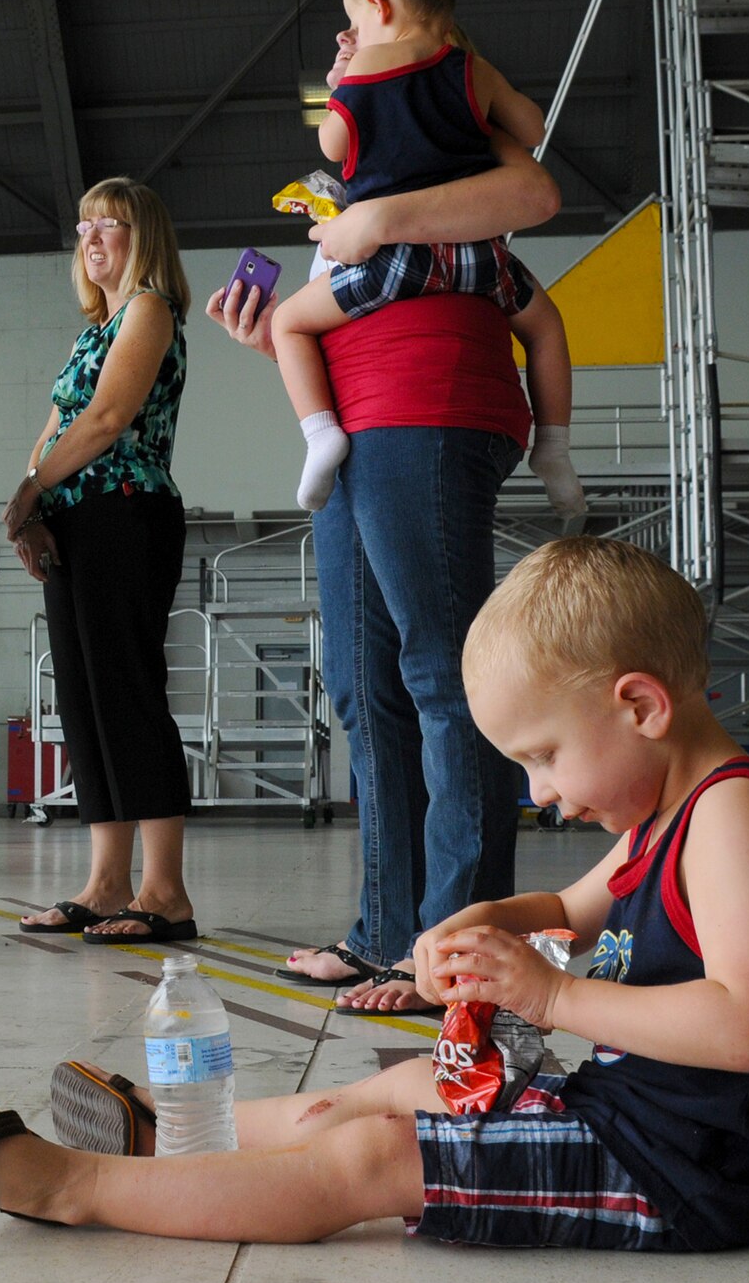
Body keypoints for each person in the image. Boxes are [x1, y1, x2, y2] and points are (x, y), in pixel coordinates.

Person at [0, 538, 749, 1252]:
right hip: (641, 1114)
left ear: (639, 705)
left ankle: (75, 1185)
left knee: (373, 1161)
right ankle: (155, 1135)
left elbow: (744, 1029)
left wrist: (549, 996)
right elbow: (562, 911)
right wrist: (478, 926)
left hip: (691, 1171)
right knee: (393, 1086)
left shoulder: (731, 818)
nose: (541, 793)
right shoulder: (663, 821)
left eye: (544, 756)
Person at [210, 122, 559, 1015]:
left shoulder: (447, 175)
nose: (339, 57)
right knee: (366, 687)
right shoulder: (354, 210)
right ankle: (386, 934)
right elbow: (334, 329)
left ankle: (456, 947)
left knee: (445, 677)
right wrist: (276, 341)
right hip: (356, 430)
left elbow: (535, 293)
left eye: (349, 38)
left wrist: (555, 441)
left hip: (425, 411)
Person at [270, 0, 586, 523]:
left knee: (288, 321)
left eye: (353, 24)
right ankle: (556, 449)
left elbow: (334, 146)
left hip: (395, 263)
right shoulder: (475, 70)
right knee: (546, 326)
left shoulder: (362, 73)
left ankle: (319, 438)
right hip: (478, 258)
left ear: (379, 5)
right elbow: (534, 129)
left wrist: (343, 90)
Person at [9, 179, 197, 944]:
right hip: (76, 521)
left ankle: (167, 890)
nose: (90, 236)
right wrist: (34, 511)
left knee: (127, 690)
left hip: (127, 511)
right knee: (83, 699)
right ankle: (107, 878)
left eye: (107, 224)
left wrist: (31, 490)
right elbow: (51, 431)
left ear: (140, 235)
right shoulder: (95, 328)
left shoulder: (150, 310)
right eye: (82, 224)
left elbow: (107, 417)